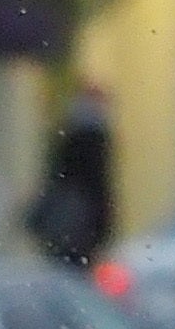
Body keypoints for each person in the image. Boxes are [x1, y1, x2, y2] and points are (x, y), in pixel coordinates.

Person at [24, 87, 117, 270]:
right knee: (75, 269)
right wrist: (104, 222)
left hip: (66, 217)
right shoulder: (93, 136)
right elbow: (96, 183)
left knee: (62, 266)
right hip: (79, 219)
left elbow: (55, 175)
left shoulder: (68, 131)